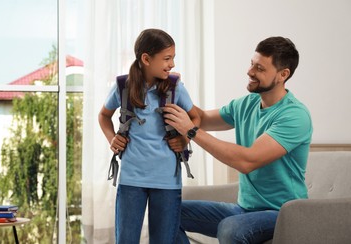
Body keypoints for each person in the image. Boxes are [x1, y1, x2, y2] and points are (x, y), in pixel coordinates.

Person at [163, 36, 313, 244]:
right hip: (245, 209)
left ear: (283, 74)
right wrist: (177, 89)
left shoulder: (294, 115)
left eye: (260, 68)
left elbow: (247, 161)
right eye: (252, 64)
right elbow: (204, 119)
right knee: (167, 212)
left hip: (283, 212)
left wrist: (191, 132)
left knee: (231, 228)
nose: (250, 72)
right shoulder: (247, 104)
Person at [98, 28, 200, 244]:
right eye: (166, 58)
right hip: (131, 179)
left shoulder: (175, 88)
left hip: (167, 181)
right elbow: (103, 116)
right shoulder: (123, 87)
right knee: (126, 240)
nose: (172, 64)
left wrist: (185, 139)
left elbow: (196, 118)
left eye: (173, 58)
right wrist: (111, 139)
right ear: (146, 58)